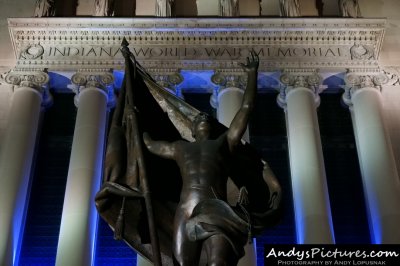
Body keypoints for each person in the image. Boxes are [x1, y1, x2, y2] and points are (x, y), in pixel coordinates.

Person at [143, 52, 259, 266]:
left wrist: (252, 75)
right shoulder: (180, 148)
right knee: (182, 264)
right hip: (185, 211)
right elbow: (150, 145)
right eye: (198, 118)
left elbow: (246, 108)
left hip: (215, 208)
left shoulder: (223, 143)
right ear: (193, 130)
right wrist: (136, 120)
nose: (203, 116)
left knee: (218, 262)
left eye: (206, 116)